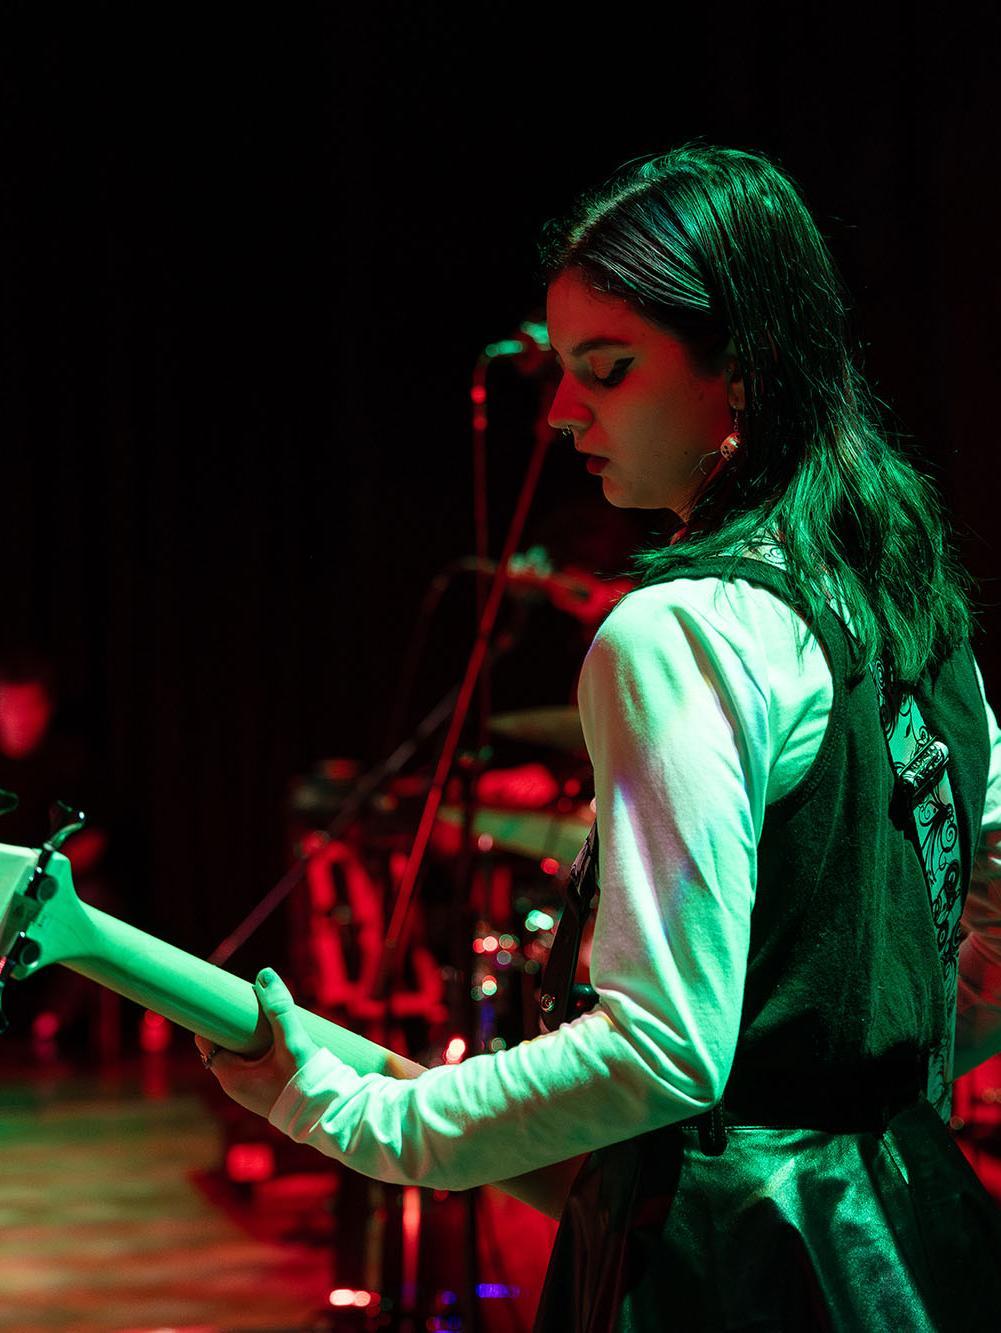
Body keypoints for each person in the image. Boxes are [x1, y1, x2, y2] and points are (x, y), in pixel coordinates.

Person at [194, 141, 1001, 1330]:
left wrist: (367, 1120)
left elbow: (662, 1052)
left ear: (744, 368)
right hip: (916, 1231)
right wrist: (877, 1082)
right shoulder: (907, 597)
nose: (562, 414)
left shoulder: (678, 632)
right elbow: (989, 929)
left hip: (725, 1270)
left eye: (607, 370)